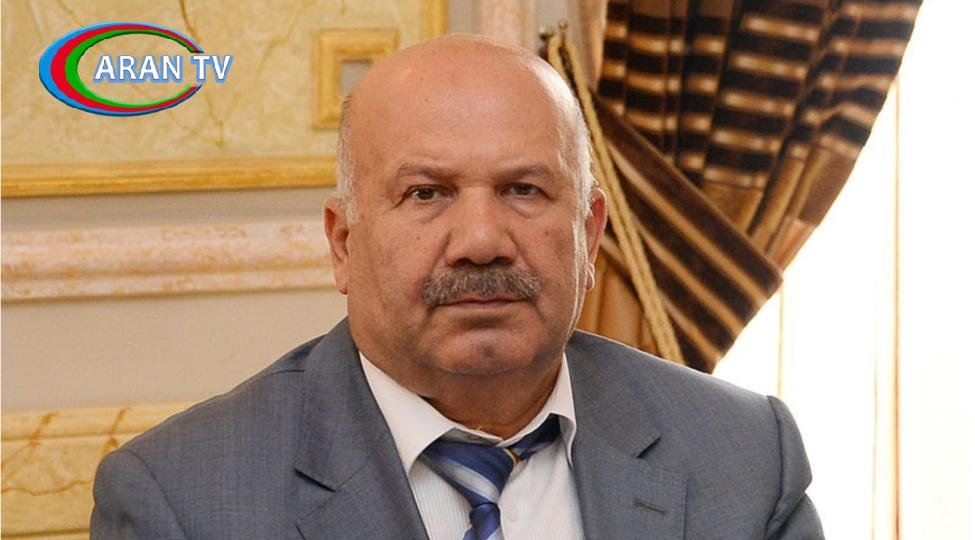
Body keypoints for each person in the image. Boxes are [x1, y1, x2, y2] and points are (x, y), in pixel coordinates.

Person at [90, 34, 823, 539]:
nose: (481, 241)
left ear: (588, 233)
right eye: (427, 193)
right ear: (343, 244)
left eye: (524, 189)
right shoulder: (180, 501)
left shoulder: (743, 454)